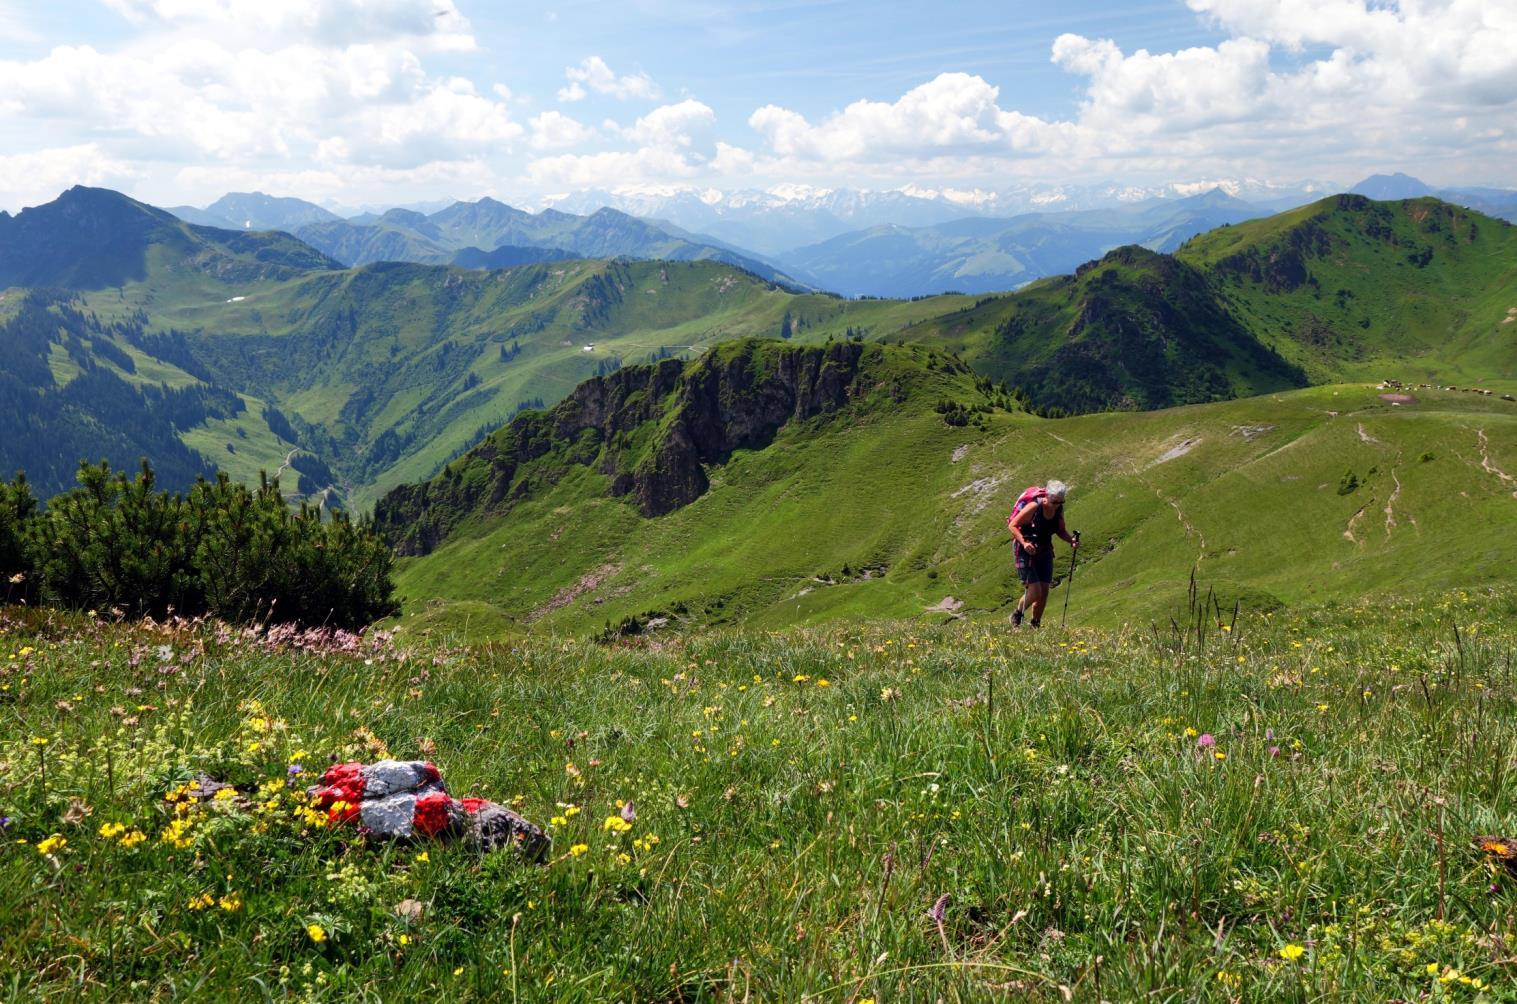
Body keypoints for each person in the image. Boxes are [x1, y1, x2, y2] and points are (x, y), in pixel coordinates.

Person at [1008, 480, 1077, 628]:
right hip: (1025, 550)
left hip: (1045, 550)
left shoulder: (1059, 509)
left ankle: (1035, 624)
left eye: (1061, 502)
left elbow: (1060, 530)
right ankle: (1017, 615)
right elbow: (1012, 525)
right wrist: (1024, 543)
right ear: (1047, 496)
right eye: (1054, 502)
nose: (1057, 505)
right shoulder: (1034, 506)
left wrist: (1071, 540)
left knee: (1044, 591)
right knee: (1035, 591)